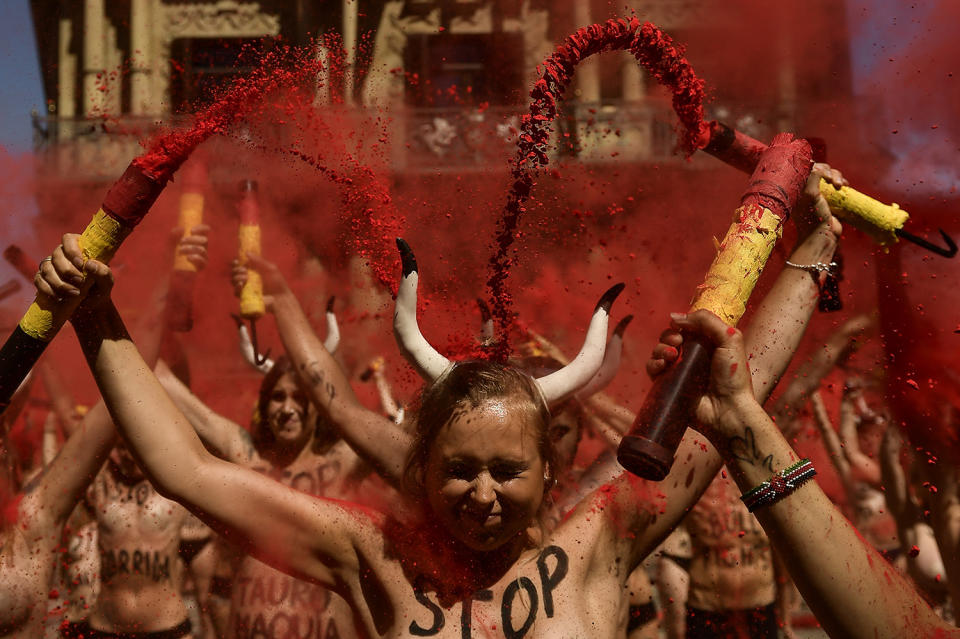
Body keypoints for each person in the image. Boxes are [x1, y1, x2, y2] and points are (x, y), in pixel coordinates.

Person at [654, 309, 956, 639]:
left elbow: (797, 393)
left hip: (760, 607)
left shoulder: (752, 446)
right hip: (707, 607)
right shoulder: (689, 468)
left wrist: (843, 335)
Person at [156, 353, 369, 639]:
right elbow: (183, 400)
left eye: (300, 396)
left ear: (317, 405)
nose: (288, 408)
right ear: (265, 405)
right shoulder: (248, 458)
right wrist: (153, 321)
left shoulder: (342, 462)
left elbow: (399, 442)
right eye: (278, 397)